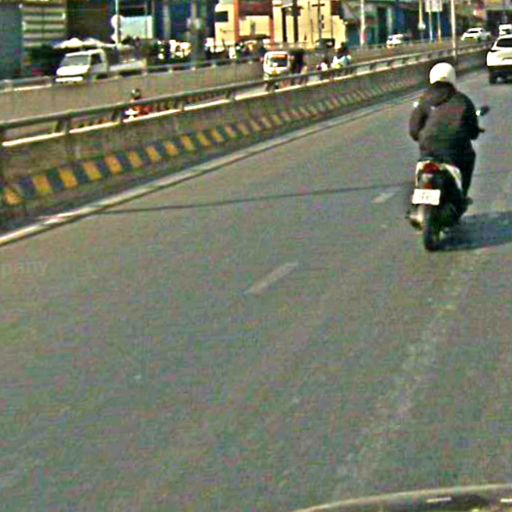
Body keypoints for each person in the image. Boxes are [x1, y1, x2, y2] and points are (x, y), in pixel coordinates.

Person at [409, 62, 481, 205]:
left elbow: (414, 129)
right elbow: (473, 131)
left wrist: (421, 137)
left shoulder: (424, 100)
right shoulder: (463, 100)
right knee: (469, 158)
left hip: (429, 149)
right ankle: (462, 195)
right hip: (455, 151)